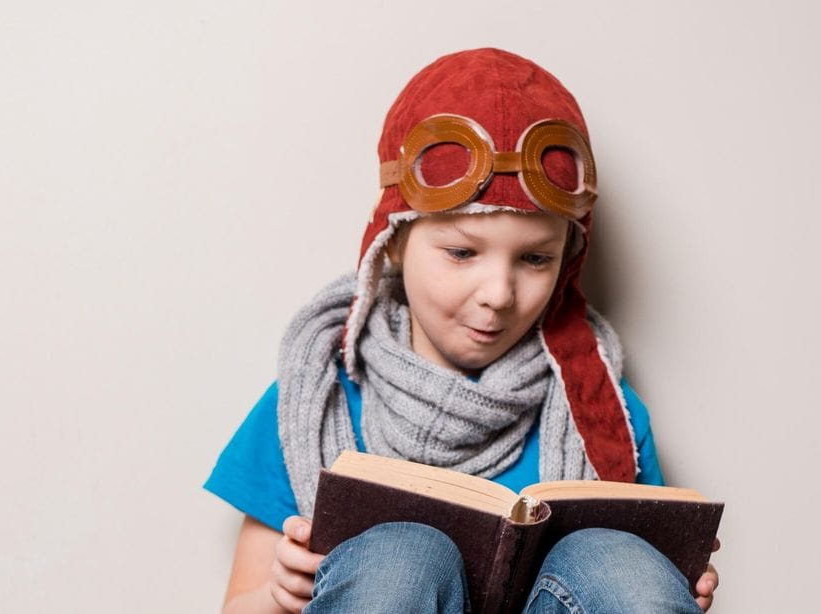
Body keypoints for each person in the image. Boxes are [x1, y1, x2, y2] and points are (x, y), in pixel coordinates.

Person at [205, 48, 720, 613]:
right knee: (400, 558)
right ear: (394, 242)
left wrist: (661, 587)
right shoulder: (311, 401)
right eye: (461, 251)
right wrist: (280, 595)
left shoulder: (608, 415)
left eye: (534, 260)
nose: (498, 293)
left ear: (567, 260)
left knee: (621, 563)